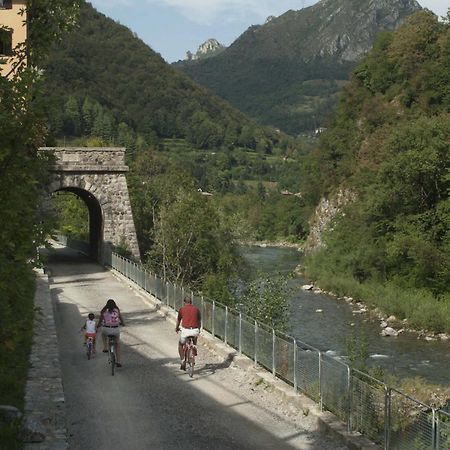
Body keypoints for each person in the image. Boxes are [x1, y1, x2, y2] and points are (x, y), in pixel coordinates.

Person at [97, 299, 125, 367]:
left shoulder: (104, 311)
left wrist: (98, 326)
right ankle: (118, 361)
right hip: (115, 329)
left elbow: (100, 321)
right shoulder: (117, 310)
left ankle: (105, 347)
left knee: (103, 334)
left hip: (106, 329)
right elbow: (121, 319)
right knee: (117, 344)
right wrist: (123, 323)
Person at [175, 296, 201, 370]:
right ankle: (194, 346)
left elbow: (178, 320)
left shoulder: (182, 309)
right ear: (191, 302)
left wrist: (176, 328)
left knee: (180, 344)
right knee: (195, 337)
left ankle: (183, 360)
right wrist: (198, 330)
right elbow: (199, 321)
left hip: (185, 331)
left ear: (184, 302)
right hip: (195, 330)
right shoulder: (196, 309)